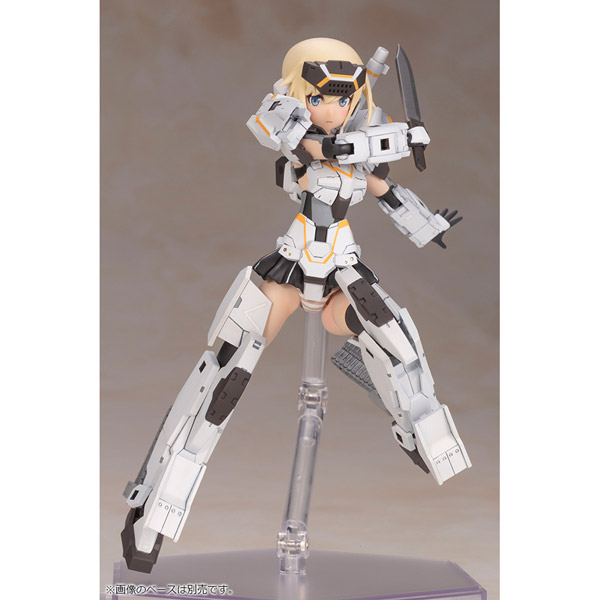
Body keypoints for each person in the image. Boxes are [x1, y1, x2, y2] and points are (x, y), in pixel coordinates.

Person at [121, 37, 470, 574]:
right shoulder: (301, 141)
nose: (334, 109)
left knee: (397, 340)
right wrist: (398, 137)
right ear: (297, 93)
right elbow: (306, 146)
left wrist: (430, 225)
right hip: (291, 267)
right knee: (224, 377)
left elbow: (387, 192)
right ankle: (153, 512)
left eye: (346, 98)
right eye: (321, 97)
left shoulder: (358, 151)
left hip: (340, 273)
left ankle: (421, 437)